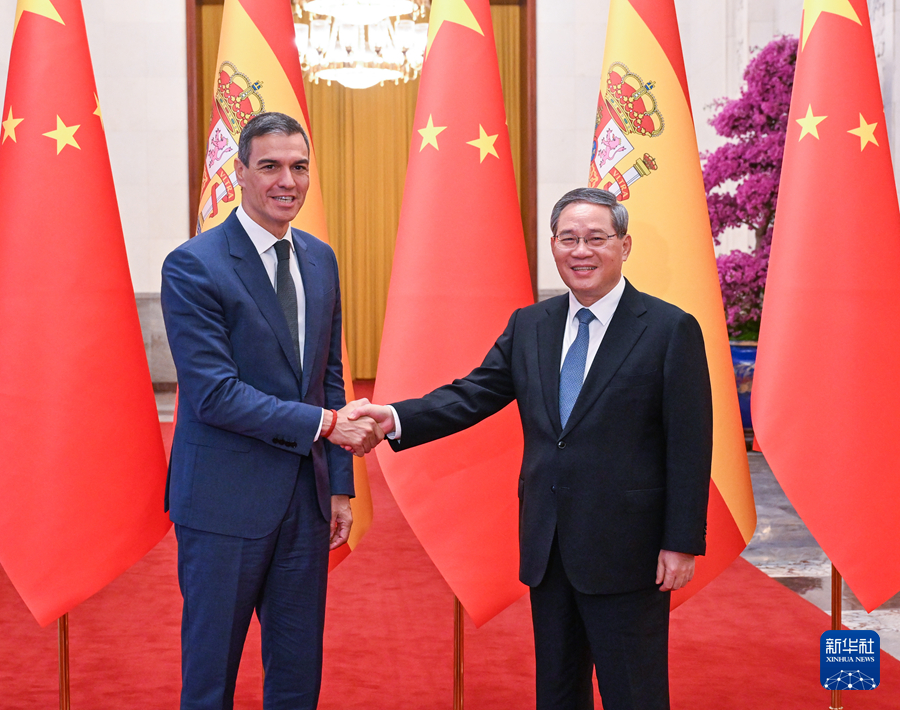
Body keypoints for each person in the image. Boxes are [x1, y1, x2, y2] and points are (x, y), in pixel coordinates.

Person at [353, 188, 712, 710]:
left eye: (596, 238)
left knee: (634, 693)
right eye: (568, 239)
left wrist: (680, 542)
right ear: (553, 245)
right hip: (549, 546)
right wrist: (395, 417)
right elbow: (473, 394)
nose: (581, 251)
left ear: (625, 245)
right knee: (557, 692)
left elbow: (690, 445)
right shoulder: (531, 325)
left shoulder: (668, 329)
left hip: (628, 551)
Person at [161, 111, 382, 710]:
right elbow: (214, 393)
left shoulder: (320, 259)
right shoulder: (194, 265)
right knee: (210, 678)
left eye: (299, 167)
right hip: (222, 504)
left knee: (297, 676)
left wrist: (340, 488)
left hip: (305, 502)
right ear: (239, 173)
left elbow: (328, 377)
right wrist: (326, 426)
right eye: (270, 166)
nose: (288, 181)